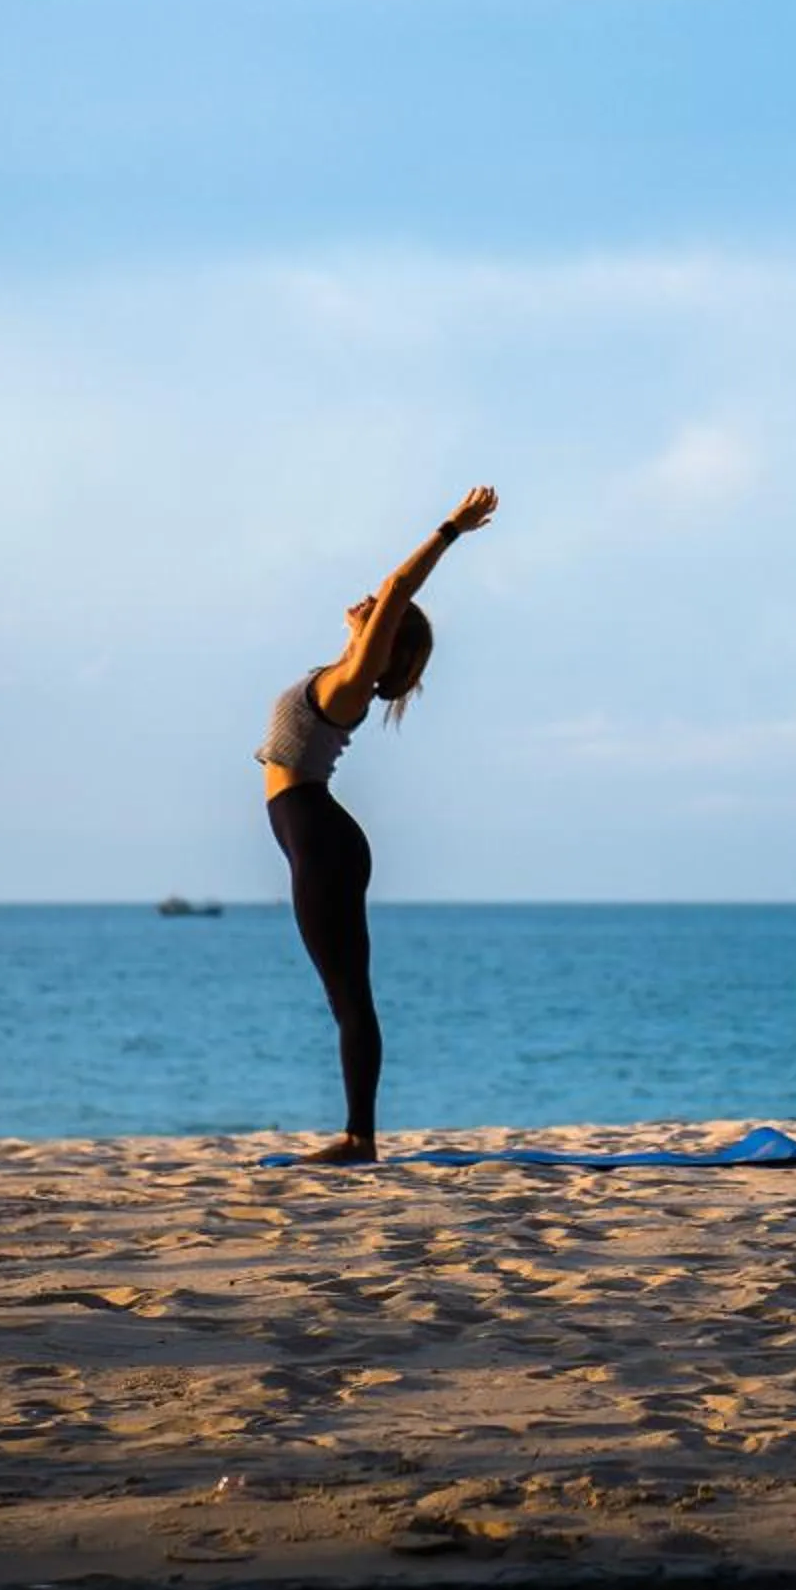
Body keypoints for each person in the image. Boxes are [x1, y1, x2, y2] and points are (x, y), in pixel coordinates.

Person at [260, 486, 498, 1163]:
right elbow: (373, 611)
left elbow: (398, 584)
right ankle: (358, 1133)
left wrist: (451, 529)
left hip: (320, 839)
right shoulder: (346, 671)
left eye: (381, 614)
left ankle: (359, 1139)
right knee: (344, 990)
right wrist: (357, 624)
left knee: (347, 994)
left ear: (384, 641)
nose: (372, 598)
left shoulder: (353, 681)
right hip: (314, 835)